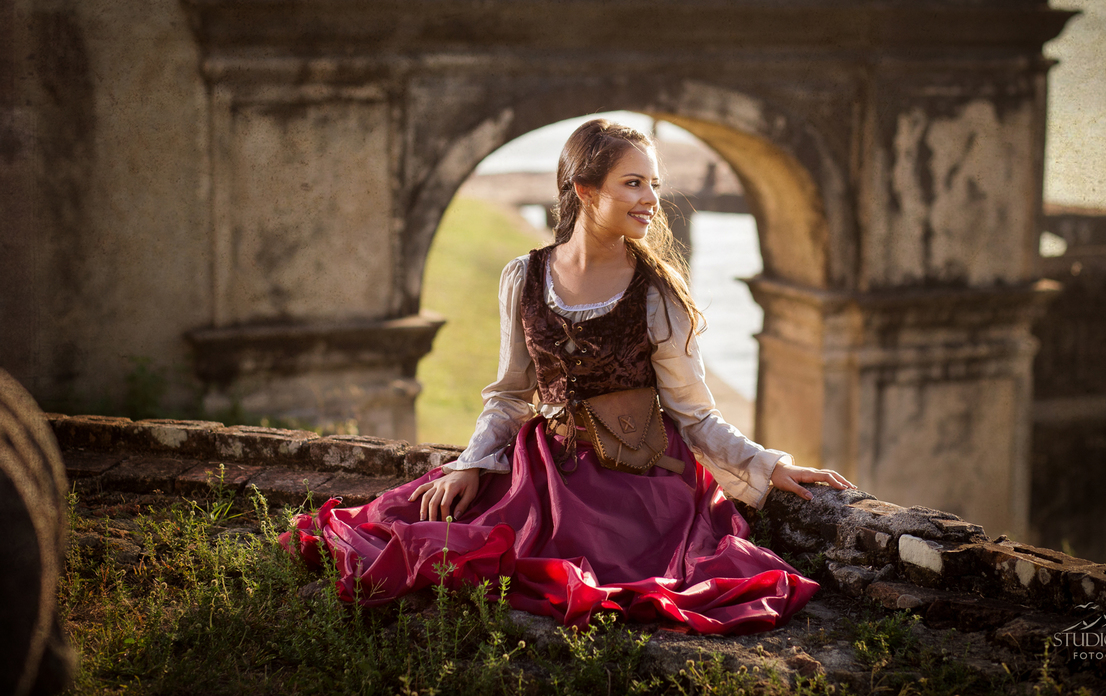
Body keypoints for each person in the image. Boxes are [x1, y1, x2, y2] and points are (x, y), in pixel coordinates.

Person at [284, 118, 854, 634]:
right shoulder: (524, 277)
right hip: (545, 476)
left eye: (654, 184)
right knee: (418, 532)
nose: (651, 199)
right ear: (585, 190)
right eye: (633, 183)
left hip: (640, 487)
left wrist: (768, 465)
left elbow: (695, 413)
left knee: (621, 587)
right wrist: (472, 464)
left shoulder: (657, 294)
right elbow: (509, 395)